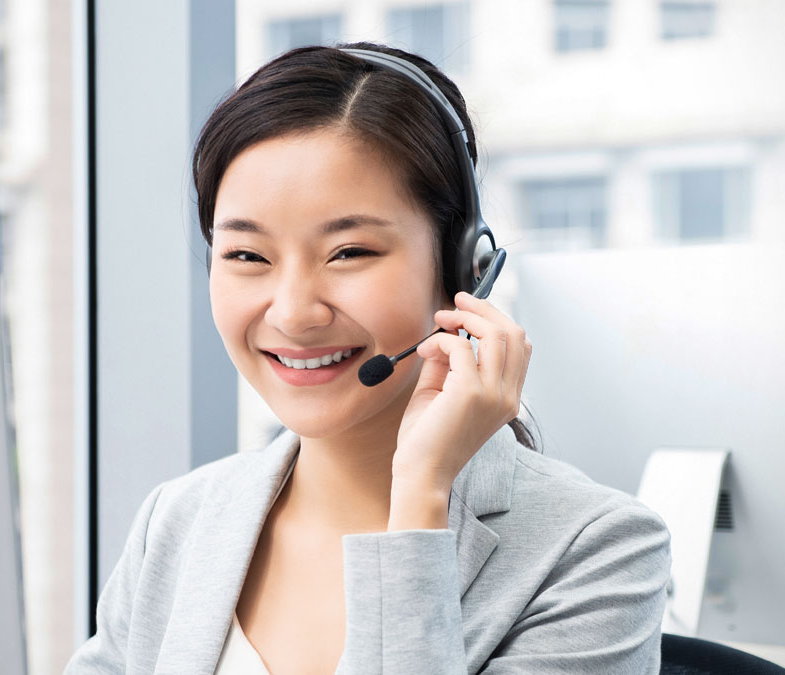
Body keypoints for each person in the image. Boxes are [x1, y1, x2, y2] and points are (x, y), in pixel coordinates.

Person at [65, 42, 671, 675]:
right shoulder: (180, 521)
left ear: (464, 267)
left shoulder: (598, 552)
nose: (294, 312)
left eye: (349, 252)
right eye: (247, 256)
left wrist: (419, 497)